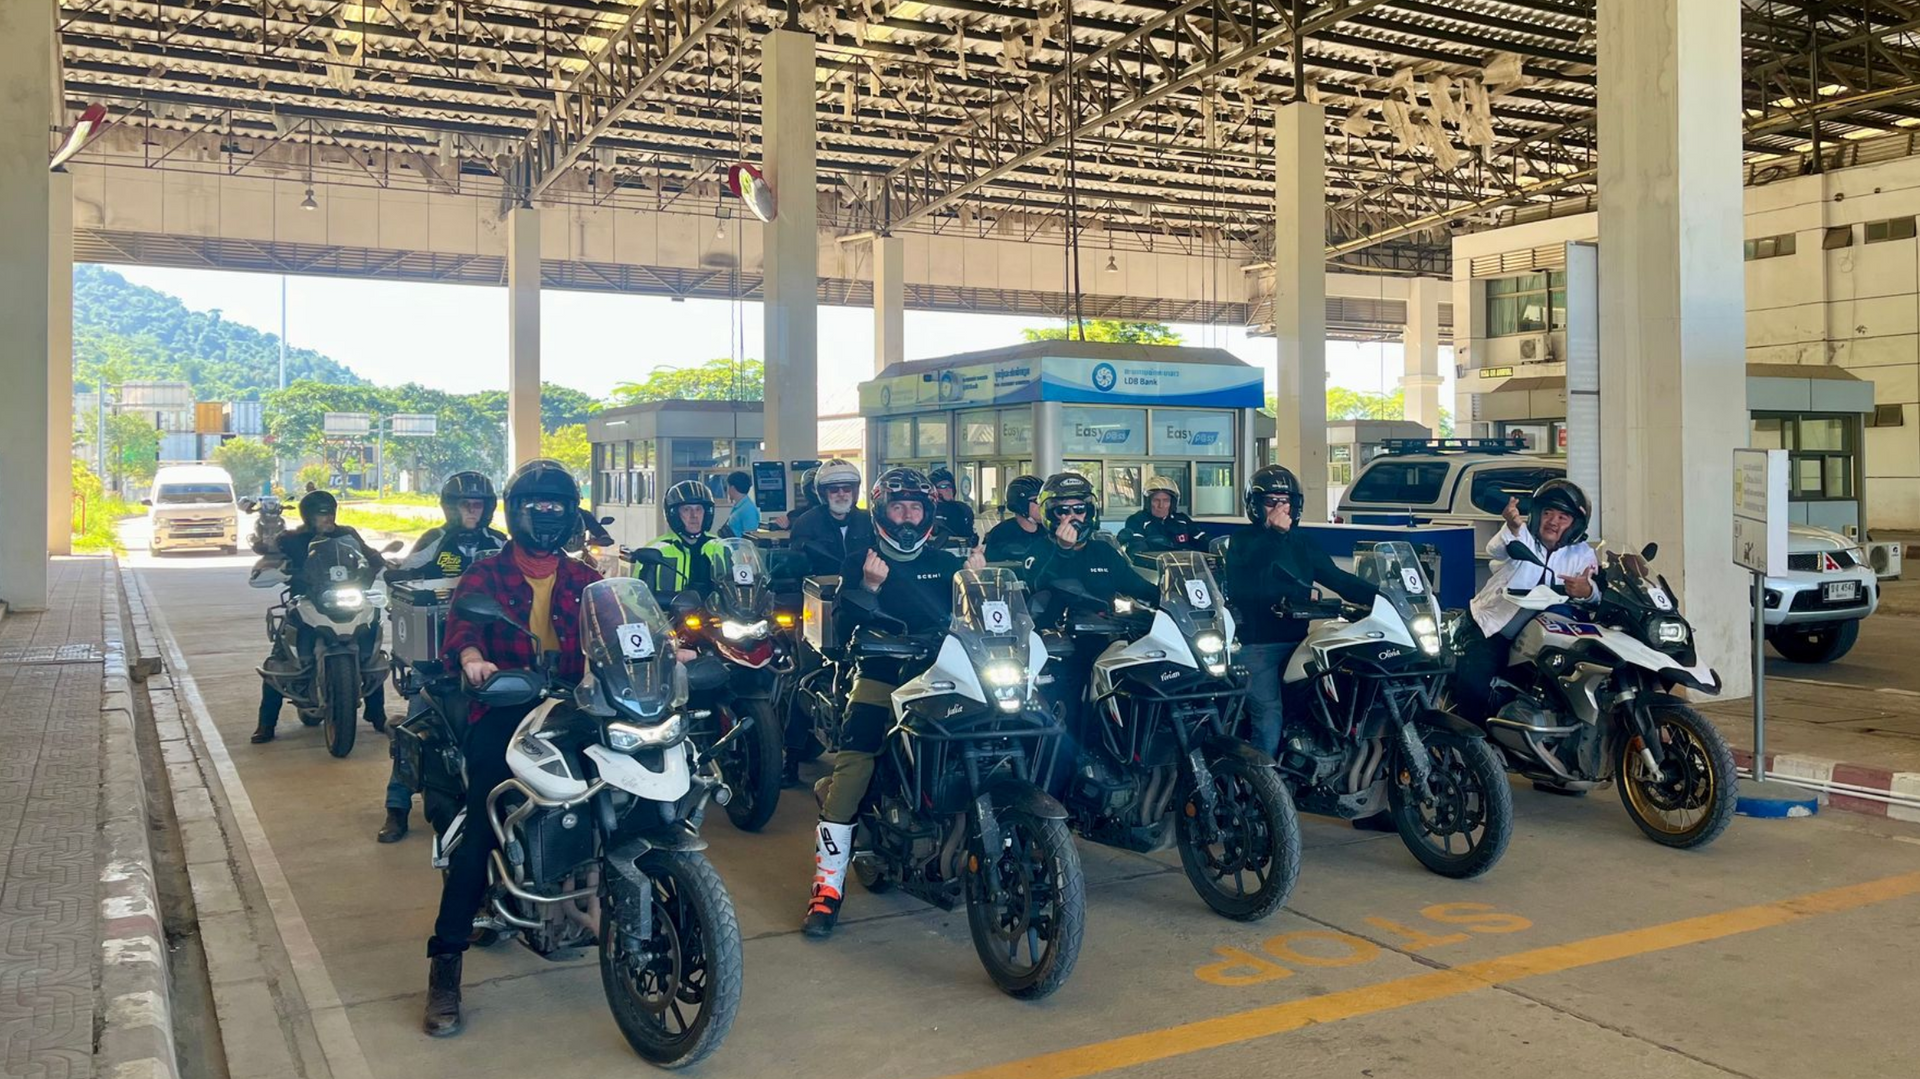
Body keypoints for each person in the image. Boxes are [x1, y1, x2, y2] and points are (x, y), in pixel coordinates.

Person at [421, 458, 602, 1038]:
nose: (546, 517)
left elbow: (618, 625)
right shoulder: (485, 575)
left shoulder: (584, 578)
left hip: (574, 709)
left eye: (556, 507)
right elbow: (462, 631)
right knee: (484, 824)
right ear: (517, 513)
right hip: (504, 705)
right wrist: (473, 661)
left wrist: (661, 649)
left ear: (569, 514)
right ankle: (445, 967)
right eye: (535, 507)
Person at [804, 467, 979, 940]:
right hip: (880, 674)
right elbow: (840, 633)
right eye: (898, 507)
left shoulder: (948, 564)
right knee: (855, 761)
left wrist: (977, 585)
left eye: (915, 507)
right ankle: (827, 887)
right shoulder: (861, 558)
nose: (907, 517)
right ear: (882, 511)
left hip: (941, 675)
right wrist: (869, 587)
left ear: (928, 513)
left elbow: (976, 624)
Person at [376, 472, 505, 843]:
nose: (472, 510)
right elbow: (403, 572)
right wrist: (394, 572)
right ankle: (396, 807)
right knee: (416, 725)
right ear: (450, 507)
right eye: (465, 504)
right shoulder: (435, 541)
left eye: (478, 504)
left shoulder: (500, 543)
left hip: (489, 654)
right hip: (436, 657)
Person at [1224, 465, 1377, 757]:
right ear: (1255, 505)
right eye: (1272, 501)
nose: (1281, 508)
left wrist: (1385, 598)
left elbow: (1338, 578)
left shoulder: (1301, 542)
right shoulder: (1243, 541)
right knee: (1269, 718)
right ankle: (1264, 791)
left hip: (1300, 643)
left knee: (1334, 697)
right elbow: (1249, 572)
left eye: (1286, 501)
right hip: (1258, 647)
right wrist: (1273, 533)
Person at [1018, 473, 1155, 767]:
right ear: (1049, 514)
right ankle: (1063, 785)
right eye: (1062, 510)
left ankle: (1135, 762)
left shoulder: (1104, 551)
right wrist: (1062, 550)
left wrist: (1173, 600)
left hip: (1109, 644)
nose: (1072, 517)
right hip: (1060, 650)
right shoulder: (1039, 551)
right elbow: (1038, 583)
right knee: (1069, 716)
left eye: (1078, 509)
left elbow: (1140, 587)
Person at [250, 490, 388, 745]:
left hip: (346, 596)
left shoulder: (347, 534)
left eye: (331, 512)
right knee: (277, 658)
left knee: (370, 641)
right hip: (307, 600)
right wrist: (272, 569)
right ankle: (266, 723)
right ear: (309, 516)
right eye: (322, 513)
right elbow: (271, 557)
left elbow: (368, 556)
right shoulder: (291, 538)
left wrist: (385, 565)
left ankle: (377, 714)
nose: (328, 517)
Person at [1453, 479, 1598, 721]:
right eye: (1548, 513)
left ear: (1575, 525)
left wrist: (1587, 591)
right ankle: (1469, 747)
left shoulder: (1582, 554)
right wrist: (1510, 525)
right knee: (1475, 688)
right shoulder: (1522, 535)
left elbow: (1595, 593)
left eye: (1563, 517)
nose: (1553, 521)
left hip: (1542, 638)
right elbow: (1496, 549)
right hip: (1494, 627)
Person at [635, 480, 726, 598]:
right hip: (669, 615)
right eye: (687, 509)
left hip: (715, 614)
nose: (694, 515)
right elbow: (638, 596)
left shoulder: (720, 546)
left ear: (706, 513)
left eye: (698, 509)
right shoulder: (656, 549)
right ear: (675, 514)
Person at [788, 458, 872, 577]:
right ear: (823, 493)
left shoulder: (868, 521)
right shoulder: (806, 523)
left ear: (854, 492)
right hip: (821, 591)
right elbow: (797, 568)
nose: (841, 494)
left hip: (863, 588)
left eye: (847, 489)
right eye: (834, 489)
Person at [1118, 476, 1210, 563]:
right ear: (1148, 502)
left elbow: (1203, 542)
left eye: (1166, 500)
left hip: (1186, 569)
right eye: (1156, 500)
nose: (1161, 506)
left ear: (1172, 503)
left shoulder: (1182, 520)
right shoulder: (1137, 520)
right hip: (1153, 572)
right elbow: (1137, 551)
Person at [982, 474, 1046, 564]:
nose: (1042, 505)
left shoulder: (1050, 530)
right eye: (1037, 501)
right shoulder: (1001, 533)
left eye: (1044, 500)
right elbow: (992, 569)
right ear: (1021, 505)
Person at [927, 466, 977, 549]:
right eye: (943, 486)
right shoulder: (929, 510)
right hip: (938, 555)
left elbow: (970, 533)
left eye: (950, 485)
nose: (948, 489)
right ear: (934, 489)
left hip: (963, 553)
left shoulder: (963, 509)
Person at [720, 469, 761, 538]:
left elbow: (750, 537)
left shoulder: (748, 509)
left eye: (727, 486)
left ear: (732, 488)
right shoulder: (740, 506)